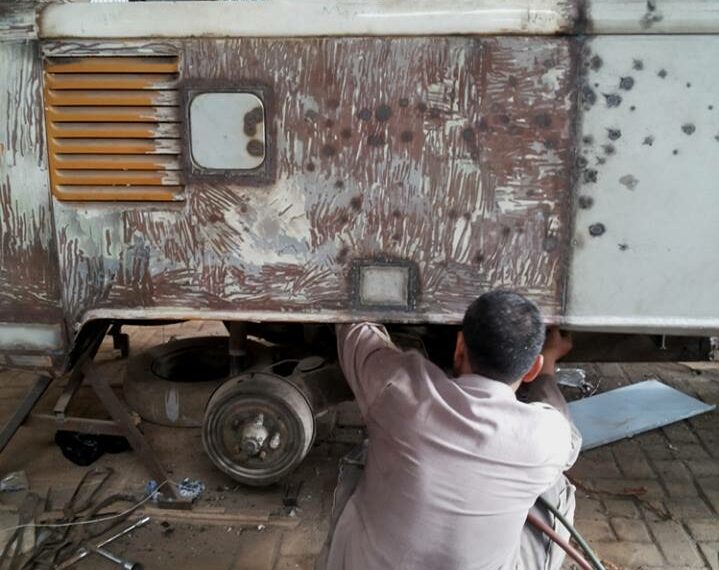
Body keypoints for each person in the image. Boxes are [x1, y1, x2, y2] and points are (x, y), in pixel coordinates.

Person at [315, 289, 581, 570]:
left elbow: (354, 328)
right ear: (532, 369)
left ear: (459, 346)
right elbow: (569, 442)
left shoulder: (399, 389)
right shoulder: (546, 437)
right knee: (556, 486)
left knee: (367, 454)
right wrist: (549, 364)